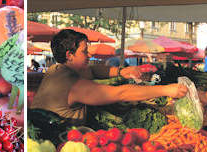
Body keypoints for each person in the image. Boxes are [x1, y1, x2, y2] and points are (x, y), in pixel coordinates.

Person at [31, 29, 187, 124]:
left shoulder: (56, 69)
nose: (89, 54)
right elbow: (121, 93)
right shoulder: (72, 85)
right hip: (58, 144)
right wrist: (166, 90)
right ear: (69, 55)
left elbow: (93, 71)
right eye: (84, 51)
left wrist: (121, 72)